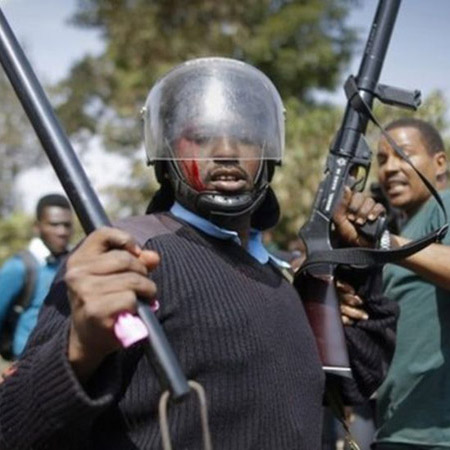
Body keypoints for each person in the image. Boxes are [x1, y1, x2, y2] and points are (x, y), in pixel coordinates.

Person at [0, 58, 396, 450]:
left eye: (244, 137)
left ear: (270, 150)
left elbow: (358, 380)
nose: (226, 151)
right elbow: (14, 428)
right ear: (166, 152)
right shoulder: (128, 255)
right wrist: (79, 348)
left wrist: (357, 264)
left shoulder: (281, 276)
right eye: (202, 137)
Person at [373, 118, 450, 449]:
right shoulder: (407, 226)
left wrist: (381, 243)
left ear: (440, 163)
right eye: (382, 160)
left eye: (403, 155)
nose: (390, 168)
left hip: (436, 433)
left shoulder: (443, 205)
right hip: (400, 427)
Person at [0, 193, 73, 360]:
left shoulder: (75, 263)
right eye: (54, 225)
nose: (61, 231)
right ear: (37, 227)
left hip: (65, 365)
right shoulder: (20, 267)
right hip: (26, 365)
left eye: (66, 225)